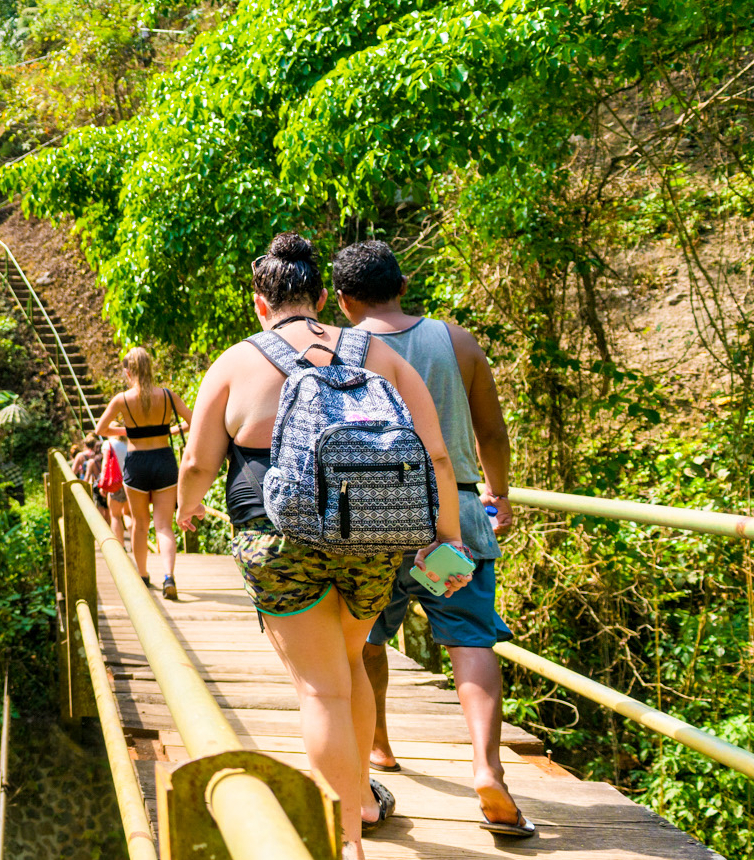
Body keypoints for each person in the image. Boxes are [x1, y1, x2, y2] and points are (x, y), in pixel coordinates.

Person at [175, 232, 471, 859]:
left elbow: (199, 461)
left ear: (261, 304)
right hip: (372, 533)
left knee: (320, 689)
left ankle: (346, 841)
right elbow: (436, 453)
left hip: (278, 538)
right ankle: (360, 800)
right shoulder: (379, 353)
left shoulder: (236, 361)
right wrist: (447, 538)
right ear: (320, 297)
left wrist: (184, 508)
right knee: (350, 665)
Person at [332, 240, 530, 837]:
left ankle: (379, 747)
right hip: (458, 515)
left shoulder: (337, 349)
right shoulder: (457, 341)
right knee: (470, 640)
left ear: (341, 300)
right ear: (404, 283)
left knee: (365, 637)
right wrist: (500, 492)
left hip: (373, 519)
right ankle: (487, 768)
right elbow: (491, 430)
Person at [96, 348, 190, 597]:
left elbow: (101, 429)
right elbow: (193, 421)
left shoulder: (122, 399)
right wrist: (166, 431)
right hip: (164, 461)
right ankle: (169, 576)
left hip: (136, 463)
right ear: (151, 367)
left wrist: (128, 432)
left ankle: (143, 576)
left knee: (139, 524)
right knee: (164, 526)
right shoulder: (168, 396)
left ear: (128, 371)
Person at [98, 437, 132, 547]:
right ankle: (135, 542)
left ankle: (120, 546)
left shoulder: (109, 444)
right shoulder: (128, 442)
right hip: (130, 481)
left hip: (116, 482)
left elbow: (106, 464)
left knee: (115, 516)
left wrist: (103, 484)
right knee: (127, 513)